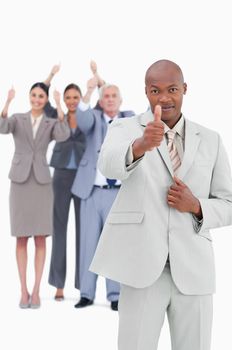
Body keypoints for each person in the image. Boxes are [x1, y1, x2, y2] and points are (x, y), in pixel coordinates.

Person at [90, 59, 232, 349]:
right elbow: (107, 164)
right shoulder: (125, 127)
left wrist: (196, 206)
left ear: (185, 89)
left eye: (172, 89)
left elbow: (229, 203)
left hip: (194, 271)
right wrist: (140, 145)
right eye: (155, 91)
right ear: (146, 92)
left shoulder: (210, 139)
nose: (164, 98)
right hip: (141, 268)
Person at [0, 84, 69, 309]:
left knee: (40, 237)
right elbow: (2, 126)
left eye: (41, 96)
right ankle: (23, 290)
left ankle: (37, 290)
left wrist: (59, 105)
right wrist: (8, 101)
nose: (37, 99)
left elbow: (63, 134)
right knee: (21, 237)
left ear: (45, 99)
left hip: (41, 183)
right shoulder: (18, 119)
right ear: (29, 97)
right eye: (34, 95)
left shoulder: (50, 122)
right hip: (19, 182)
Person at [71, 80, 135, 311]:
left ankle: (115, 294)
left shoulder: (129, 121)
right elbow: (83, 119)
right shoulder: (94, 119)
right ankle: (86, 293)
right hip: (91, 192)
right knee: (88, 244)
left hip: (117, 193)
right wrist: (88, 92)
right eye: (105, 95)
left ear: (120, 100)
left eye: (113, 95)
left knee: (114, 246)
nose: (109, 98)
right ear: (100, 101)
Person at [42, 64, 103, 301]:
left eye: (75, 96)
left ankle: (81, 285)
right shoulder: (56, 114)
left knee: (83, 231)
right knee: (59, 228)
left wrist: (96, 77)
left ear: (81, 97)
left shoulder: (91, 114)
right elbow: (41, 96)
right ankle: (58, 284)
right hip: (61, 175)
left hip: (84, 176)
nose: (71, 100)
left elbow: (105, 92)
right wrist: (51, 76)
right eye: (68, 97)